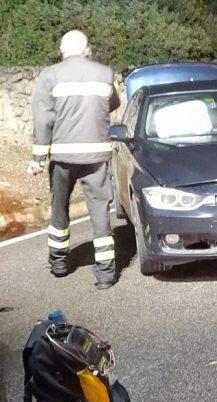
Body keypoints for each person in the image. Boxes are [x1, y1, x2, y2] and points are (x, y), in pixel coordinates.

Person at [29, 30, 120, 290]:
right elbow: (113, 102)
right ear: (86, 50)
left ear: (61, 51)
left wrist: (38, 157)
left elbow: (43, 118)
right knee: (100, 211)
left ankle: (59, 264)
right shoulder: (105, 73)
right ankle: (106, 274)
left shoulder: (49, 75)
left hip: (63, 156)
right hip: (96, 156)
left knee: (60, 209)